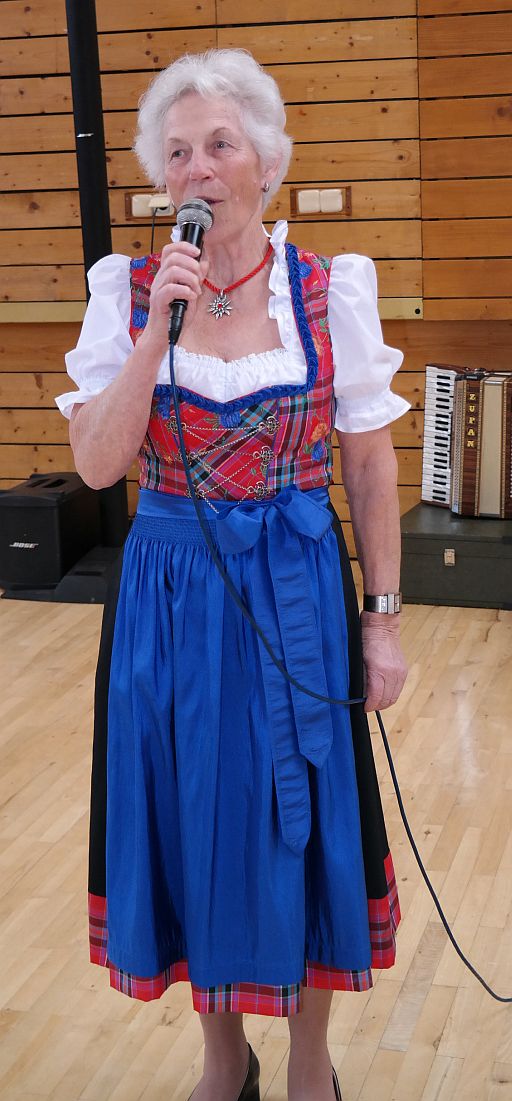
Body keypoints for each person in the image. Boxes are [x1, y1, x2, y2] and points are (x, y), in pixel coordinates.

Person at [56, 47, 409, 1101]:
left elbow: (368, 464)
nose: (198, 167)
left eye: (219, 143)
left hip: (297, 586)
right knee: (188, 813)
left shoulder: (328, 289)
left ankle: (309, 1060)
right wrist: (151, 339)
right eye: (177, 152)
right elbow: (98, 464)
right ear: (160, 180)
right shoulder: (126, 292)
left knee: (306, 817)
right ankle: (223, 1060)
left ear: (267, 161)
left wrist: (382, 622)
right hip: (167, 598)